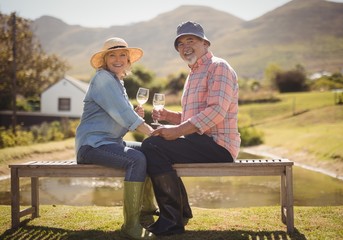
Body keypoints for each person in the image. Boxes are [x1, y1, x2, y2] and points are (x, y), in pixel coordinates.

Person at [141, 21, 241, 236]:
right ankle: (180, 213)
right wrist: (171, 117)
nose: (184, 46)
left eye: (190, 40)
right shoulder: (193, 73)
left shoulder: (218, 67)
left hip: (218, 145)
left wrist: (176, 131)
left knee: (152, 146)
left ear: (205, 43)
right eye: (180, 44)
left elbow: (216, 112)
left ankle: (172, 220)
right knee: (153, 144)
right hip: (201, 141)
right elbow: (193, 118)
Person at [75, 37, 155, 240]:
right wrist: (152, 132)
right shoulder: (103, 78)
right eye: (112, 54)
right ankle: (130, 225)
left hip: (111, 143)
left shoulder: (117, 81)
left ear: (128, 61)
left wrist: (135, 115)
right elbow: (123, 114)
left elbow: (122, 114)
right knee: (137, 159)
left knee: (150, 150)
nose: (118, 59)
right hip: (91, 146)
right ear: (104, 59)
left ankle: (146, 210)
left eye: (122, 55)